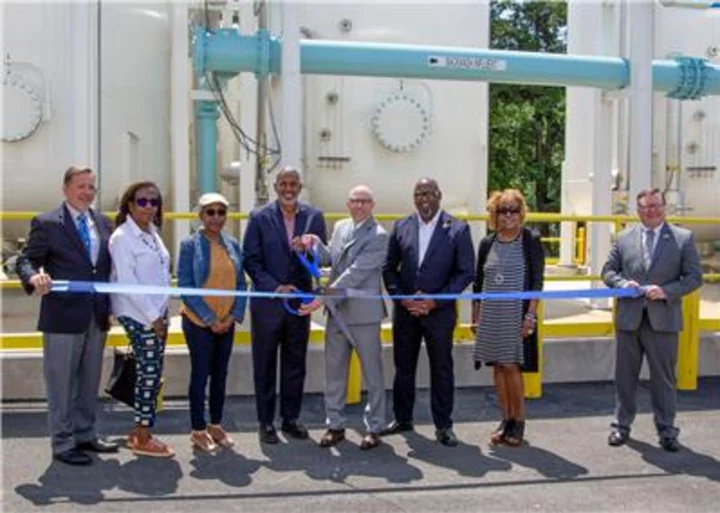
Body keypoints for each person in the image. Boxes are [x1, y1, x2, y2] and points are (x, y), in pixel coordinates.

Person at [16, 165, 119, 466]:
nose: (87, 192)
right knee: (61, 383)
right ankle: (62, 443)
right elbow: (26, 260)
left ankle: (85, 433)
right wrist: (33, 277)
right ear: (65, 189)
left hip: (96, 315)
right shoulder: (47, 223)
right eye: (81, 186)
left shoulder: (102, 222)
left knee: (89, 380)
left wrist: (112, 306)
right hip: (62, 315)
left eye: (91, 187)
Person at [602, 188, 702, 452]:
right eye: (646, 207)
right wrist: (623, 282)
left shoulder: (683, 238)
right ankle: (620, 426)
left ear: (664, 207)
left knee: (664, 379)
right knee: (624, 377)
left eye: (656, 206)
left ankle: (667, 430)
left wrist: (666, 292)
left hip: (663, 319)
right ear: (638, 211)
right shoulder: (624, 238)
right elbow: (608, 271)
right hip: (629, 319)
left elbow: (694, 277)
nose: (651, 211)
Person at [382, 178, 474, 447]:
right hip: (407, 312)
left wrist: (436, 300)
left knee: (442, 369)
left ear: (439, 196)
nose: (423, 199)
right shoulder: (402, 226)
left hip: (439, 313)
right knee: (404, 367)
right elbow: (389, 268)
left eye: (428, 194)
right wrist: (402, 298)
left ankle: (444, 425)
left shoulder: (457, 228)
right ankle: (402, 418)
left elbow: (465, 271)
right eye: (418, 194)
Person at [297, 185, 389, 450]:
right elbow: (331, 260)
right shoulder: (340, 227)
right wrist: (312, 243)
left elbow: (355, 274)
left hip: (363, 314)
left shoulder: (379, 236)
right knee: (334, 372)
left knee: (373, 374)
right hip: (337, 314)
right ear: (348, 204)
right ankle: (334, 425)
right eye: (354, 201)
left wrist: (323, 297)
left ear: (372, 205)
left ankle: (374, 427)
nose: (359, 205)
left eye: (364, 201)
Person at [242, 166, 327, 444]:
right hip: (268, 304)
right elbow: (250, 260)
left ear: (299, 188)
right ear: (275, 186)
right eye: (283, 184)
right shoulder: (258, 217)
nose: (288, 189)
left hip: (298, 304)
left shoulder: (314, 217)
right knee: (264, 364)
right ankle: (265, 422)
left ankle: (291, 419)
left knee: (295, 363)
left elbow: (323, 258)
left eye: (293, 184)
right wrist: (275, 287)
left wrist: (309, 248)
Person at [471, 189, 544, 447]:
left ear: (521, 212)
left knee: (512, 366)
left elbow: (537, 282)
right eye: (503, 210)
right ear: (495, 214)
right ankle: (505, 419)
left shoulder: (530, 240)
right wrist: (475, 317)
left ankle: (518, 421)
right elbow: (478, 284)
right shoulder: (487, 243)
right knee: (498, 368)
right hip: (491, 315)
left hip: (517, 314)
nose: (509, 215)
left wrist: (531, 317)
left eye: (514, 210)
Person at [177, 192, 247, 453]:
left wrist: (231, 316)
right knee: (200, 374)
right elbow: (186, 286)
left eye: (221, 212)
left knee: (220, 375)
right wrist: (209, 319)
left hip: (226, 322)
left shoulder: (233, 244)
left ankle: (215, 425)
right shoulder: (189, 245)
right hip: (198, 322)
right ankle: (198, 429)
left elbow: (241, 283)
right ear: (200, 215)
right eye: (210, 212)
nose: (216, 217)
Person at [109, 181, 173, 458]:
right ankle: (142, 435)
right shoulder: (122, 237)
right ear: (130, 204)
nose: (149, 206)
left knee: (153, 372)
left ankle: (141, 430)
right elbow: (127, 282)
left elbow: (159, 276)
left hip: (158, 313)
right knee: (148, 375)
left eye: (154, 201)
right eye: (142, 201)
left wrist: (163, 314)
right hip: (139, 314)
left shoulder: (153, 233)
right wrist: (153, 318)